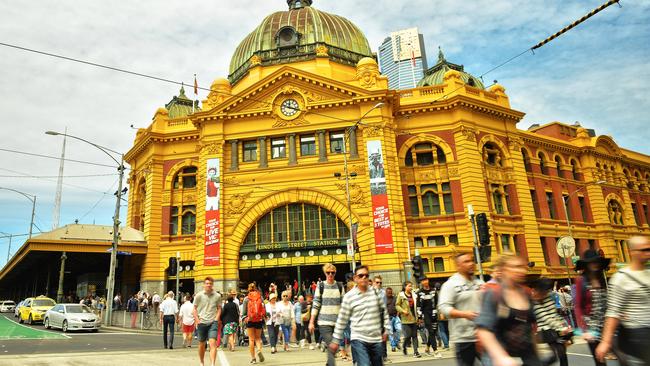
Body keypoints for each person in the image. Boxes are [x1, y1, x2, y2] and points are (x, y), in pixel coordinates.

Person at [475, 253, 542, 366]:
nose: (521, 270)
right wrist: (501, 357)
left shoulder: (526, 293)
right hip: (501, 356)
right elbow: (483, 330)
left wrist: (537, 354)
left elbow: (530, 328)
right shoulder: (493, 294)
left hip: (528, 355)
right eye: (516, 267)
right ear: (503, 269)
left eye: (523, 267)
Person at [596, 235, 650, 365]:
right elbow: (613, 311)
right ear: (632, 252)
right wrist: (605, 342)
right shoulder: (620, 278)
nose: (648, 253)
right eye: (644, 250)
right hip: (639, 332)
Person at [330, 265, 389, 366]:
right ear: (355, 278)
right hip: (359, 338)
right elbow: (342, 319)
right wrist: (336, 340)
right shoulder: (349, 297)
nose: (364, 278)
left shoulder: (376, 292)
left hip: (376, 338)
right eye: (361, 275)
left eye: (366, 275)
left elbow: (384, 312)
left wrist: (386, 330)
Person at [438, 252, 484, 366]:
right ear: (458, 266)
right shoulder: (451, 284)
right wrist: (464, 314)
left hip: (483, 336)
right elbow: (443, 308)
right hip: (464, 338)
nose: (471, 263)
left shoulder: (480, 283)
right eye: (466, 261)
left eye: (472, 260)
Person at [574, 249, 610, 366]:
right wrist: (584, 330)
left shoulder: (602, 278)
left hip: (607, 324)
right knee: (600, 361)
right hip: (592, 327)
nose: (595, 264)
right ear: (586, 264)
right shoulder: (581, 281)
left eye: (596, 261)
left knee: (621, 354)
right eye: (591, 262)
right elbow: (578, 306)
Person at [531, 278, 572, 366]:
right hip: (546, 331)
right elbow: (545, 317)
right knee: (554, 356)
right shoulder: (534, 302)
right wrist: (561, 328)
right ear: (539, 289)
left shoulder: (549, 297)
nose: (547, 292)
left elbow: (554, 314)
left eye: (548, 290)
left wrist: (564, 324)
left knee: (562, 354)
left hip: (556, 329)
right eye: (545, 290)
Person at [309, 263, 343, 366]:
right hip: (324, 322)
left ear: (335, 273)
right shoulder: (321, 285)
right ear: (325, 273)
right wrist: (311, 322)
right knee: (332, 345)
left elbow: (344, 305)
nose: (330, 274)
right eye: (328, 272)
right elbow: (316, 304)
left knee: (333, 347)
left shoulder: (340, 286)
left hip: (337, 322)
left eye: (332, 272)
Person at [193, 277, 222, 366]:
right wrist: (197, 320)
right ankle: (202, 362)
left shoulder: (217, 296)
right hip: (202, 323)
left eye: (210, 283)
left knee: (213, 343)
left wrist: (216, 319)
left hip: (212, 323)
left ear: (212, 285)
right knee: (202, 344)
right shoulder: (199, 295)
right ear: (204, 285)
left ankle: (212, 364)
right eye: (207, 283)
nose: (208, 285)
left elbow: (219, 308)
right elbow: (194, 308)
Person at [417, 277, 442, 358]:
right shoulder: (419, 293)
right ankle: (435, 351)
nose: (425, 282)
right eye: (423, 280)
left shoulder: (433, 291)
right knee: (431, 331)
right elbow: (418, 306)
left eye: (426, 280)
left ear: (428, 281)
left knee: (433, 332)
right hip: (425, 314)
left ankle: (427, 348)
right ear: (421, 282)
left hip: (434, 314)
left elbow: (438, 303)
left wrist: (440, 312)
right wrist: (420, 317)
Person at [242, 282, 266, 364]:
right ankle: (259, 350)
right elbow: (263, 309)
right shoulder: (260, 297)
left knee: (251, 339)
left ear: (248, 289)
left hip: (250, 320)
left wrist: (244, 318)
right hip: (258, 320)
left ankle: (253, 358)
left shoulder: (246, 299)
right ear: (255, 288)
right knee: (258, 338)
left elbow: (244, 312)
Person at [396, 280, 420, 358]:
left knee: (415, 336)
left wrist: (419, 317)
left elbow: (417, 307)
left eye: (411, 286)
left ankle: (416, 352)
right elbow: (397, 306)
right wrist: (403, 311)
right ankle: (404, 346)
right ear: (405, 287)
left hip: (414, 318)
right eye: (409, 286)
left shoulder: (414, 295)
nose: (410, 287)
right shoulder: (401, 295)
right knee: (408, 336)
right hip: (405, 319)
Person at [385, 287, 402, 353]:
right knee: (391, 333)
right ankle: (393, 346)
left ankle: (397, 342)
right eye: (388, 292)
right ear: (386, 292)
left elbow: (398, 305)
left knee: (399, 330)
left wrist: (398, 314)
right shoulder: (384, 299)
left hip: (396, 316)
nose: (390, 293)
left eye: (390, 292)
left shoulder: (395, 298)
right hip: (388, 318)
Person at [434, 282, 449, 350]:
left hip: (440, 314)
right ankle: (447, 343)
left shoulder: (436, 294)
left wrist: (440, 313)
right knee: (446, 330)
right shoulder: (445, 293)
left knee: (442, 330)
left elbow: (438, 305)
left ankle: (446, 345)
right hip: (447, 313)